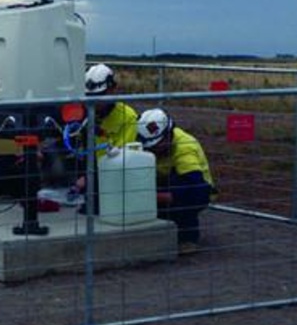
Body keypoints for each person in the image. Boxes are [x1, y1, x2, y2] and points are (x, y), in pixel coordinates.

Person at [137, 108, 216, 251]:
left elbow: (196, 186)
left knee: (186, 195)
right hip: (163, 181)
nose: (155, 149)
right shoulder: (143, 142)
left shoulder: (185, 147)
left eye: (158, 144)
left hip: (197, 188)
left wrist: (155, 197)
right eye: (151, 147)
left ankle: (187, 238)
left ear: (169, 134)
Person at [74, 64, 139, 204]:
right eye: (89, 97)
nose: (94, 102)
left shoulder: (127, 117)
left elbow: (121, 158)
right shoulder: (84, 113)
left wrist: (89, 178)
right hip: (89, 169)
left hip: (113, 177)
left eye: (99, 96)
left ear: (112, 90)